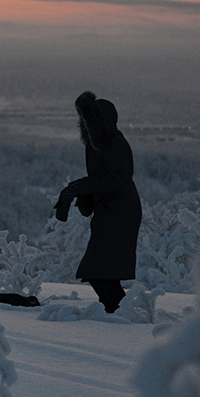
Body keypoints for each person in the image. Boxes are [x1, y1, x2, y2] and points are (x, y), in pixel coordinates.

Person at [53, 91, 142, 313]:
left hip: (121, 212)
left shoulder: (115, 144)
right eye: (84, 121)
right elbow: (99, 179)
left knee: (100, 271)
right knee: (98, 271)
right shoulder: (95, 146)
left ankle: (120, 313)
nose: (86, 125)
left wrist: (79, 187)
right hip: (109, 211)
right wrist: (85, 198)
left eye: (91, 121)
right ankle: (116, 312)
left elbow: (116, 179)